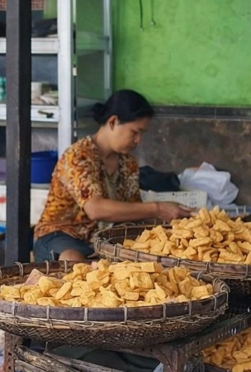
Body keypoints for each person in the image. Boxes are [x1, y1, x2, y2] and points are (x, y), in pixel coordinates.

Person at [33, 90, 191, 263]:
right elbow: (95, 209)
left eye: (142, 134)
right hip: (61, 234)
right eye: (135, 132)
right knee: (73, 261)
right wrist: (158, 208)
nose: (138, 140)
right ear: (113, 122)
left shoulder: (128, 163)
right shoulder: (79, 156)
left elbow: (134, 210)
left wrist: (178, 221)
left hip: (101, 240)